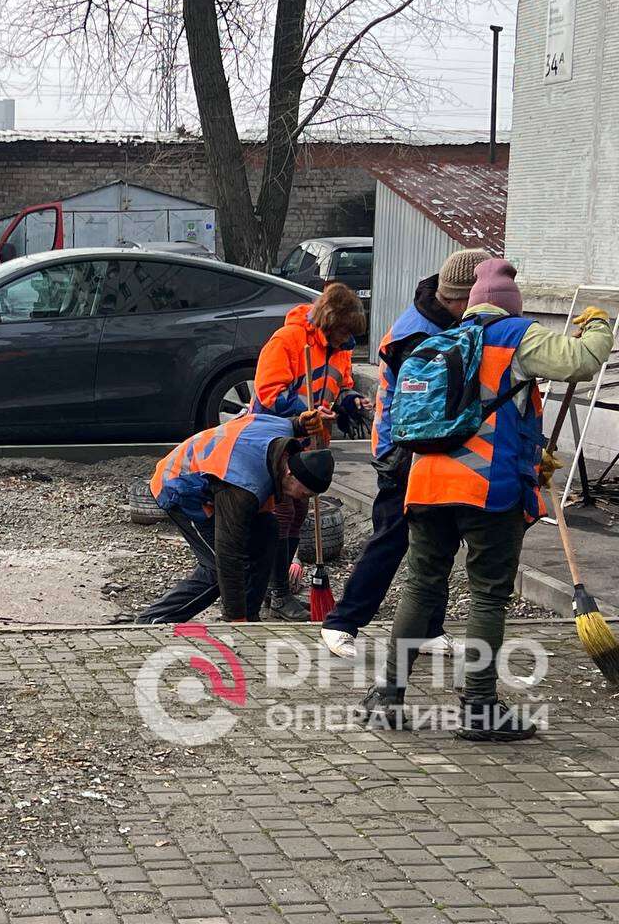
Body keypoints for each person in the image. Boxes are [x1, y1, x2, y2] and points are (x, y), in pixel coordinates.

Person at [361, 259, 614, 740]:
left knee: (421, 587)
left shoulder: (443, 339)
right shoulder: (518, 335)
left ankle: (387, 696)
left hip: (426, 485)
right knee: (487, 595)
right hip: (485, 488)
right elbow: (582, 360)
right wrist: (601, 321)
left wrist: (530, 455)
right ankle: (479, 709)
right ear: (511, 306)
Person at [320, 249, 490, 660]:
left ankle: (428, 629)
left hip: (430, 446)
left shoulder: (445, 319)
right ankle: (341, 622)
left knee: (437, 538)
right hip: (404, 449)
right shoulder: (416, 335)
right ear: (463, 298)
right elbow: (426, 404)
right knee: (393, 537)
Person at [136, 412, 335, 624]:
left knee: (268, 529)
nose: (302, 499)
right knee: (216, 568)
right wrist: (235, 618)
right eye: (304, 493)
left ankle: (251, 615)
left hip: (217, 474)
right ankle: (152, 620)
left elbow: (263, 421)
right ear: (289, 474)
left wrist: (300, 424)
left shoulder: (283, 433)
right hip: (180, 485)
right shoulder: (244, 488)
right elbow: (228, 555)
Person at [251, 282, 371, 620]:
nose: (347, 339)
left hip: (311, 443)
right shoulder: (288, 340)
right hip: (278, 438)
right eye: (344, 331)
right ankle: (277, 592)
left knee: (299, 512)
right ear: (329, 322)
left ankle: (274, 589)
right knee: (282, 511)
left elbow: (341, 387)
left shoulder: (340, 349)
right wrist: (307, 411)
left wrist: (350, 402)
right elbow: (268, 393)